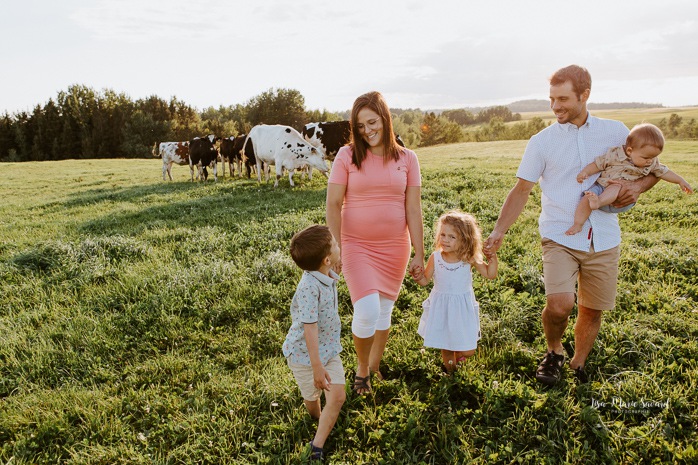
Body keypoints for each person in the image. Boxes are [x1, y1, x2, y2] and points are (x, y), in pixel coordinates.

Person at [484, 65, 661, 386]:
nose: (555, 107)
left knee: (592, 311)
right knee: (560, 305)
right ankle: (554, 351)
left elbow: (653, 166)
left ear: (585, 95)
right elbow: (521, 189)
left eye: (563, 99)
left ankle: (578, 362)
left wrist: (639, 187)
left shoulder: (617, 132)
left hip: (605, 237)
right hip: (560, 235)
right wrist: (498, 231)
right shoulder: (542, 141)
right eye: (551, 99)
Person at [326, 91, 424, 395]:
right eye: (360, 125)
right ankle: (362, 368)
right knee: (367, 310)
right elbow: (333, 204)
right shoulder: (346, 155)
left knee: (383, 312)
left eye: (372, 122)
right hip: (355, 245)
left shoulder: (408, 159)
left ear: (385, 118)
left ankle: (374, 367)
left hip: (395, 246)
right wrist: (336, 247)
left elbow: (413, 208)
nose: (367, 130)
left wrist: (420, 253)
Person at [282, 225, 345, 461]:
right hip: (303, 355)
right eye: (336, 245)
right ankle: (319, 418)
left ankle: (316, 445)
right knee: (312, 401)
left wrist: (336, 266)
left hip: (329, 350)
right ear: (326, 259)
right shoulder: (309, 287)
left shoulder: (325, 270)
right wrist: (317, 366)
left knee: (338, 396)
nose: (339, 246)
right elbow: (310, 329)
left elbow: (333, 269)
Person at [565, 123, 693, 235]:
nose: (650, 161)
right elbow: (598, 164)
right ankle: (578, 224)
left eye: (654, 157)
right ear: (630, 150)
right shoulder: (614, 155)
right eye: (646, 157)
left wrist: (680, 181)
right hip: (601, 188)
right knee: (586, 198)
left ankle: (598, 202)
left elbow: (664, 172)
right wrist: (585, 172)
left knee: (616, 185)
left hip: (622, 198)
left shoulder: (652, 162)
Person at [411, 211, 498, 373]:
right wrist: (418, 277)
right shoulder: (436, 257)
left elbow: (489, 274)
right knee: (447, 345)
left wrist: (492, 259)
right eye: (443, 234)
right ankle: (451, 373)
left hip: (462, 308)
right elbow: (425, 281)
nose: (445, 240)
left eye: (452, 237)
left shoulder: (469, 258)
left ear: (465, 240)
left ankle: (460, 354)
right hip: (442, 307)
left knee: (468, 350)